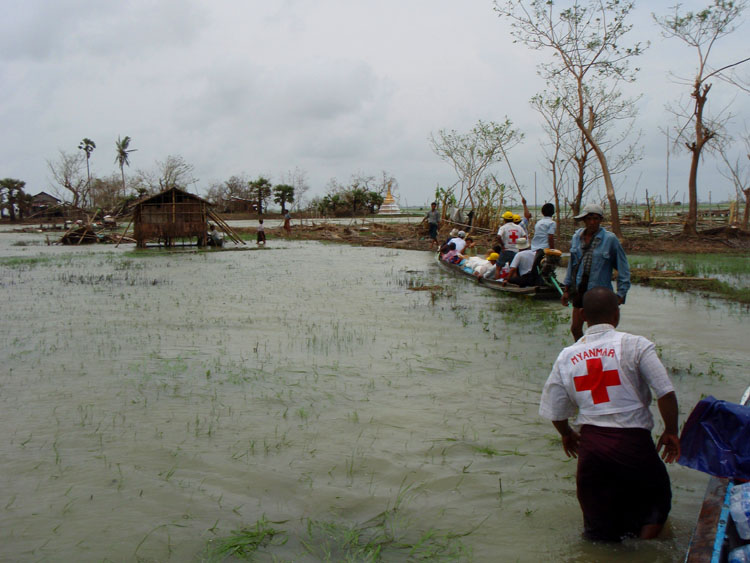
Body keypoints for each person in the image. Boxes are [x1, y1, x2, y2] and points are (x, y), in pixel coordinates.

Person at [539, 287, 680, 542]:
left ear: (581, 315)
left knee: (598, 525)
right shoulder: (635, 344)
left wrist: (567, 434)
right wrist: (671, 431)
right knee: (656, 503)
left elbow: (556, 409)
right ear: (616, 314)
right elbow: (665, 391)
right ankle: (644, 551)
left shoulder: (566, 356)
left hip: (592, 449)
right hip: (633, 445)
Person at [561, 203, 630, 341]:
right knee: (575, 329)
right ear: (584, 220)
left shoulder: (610, 240)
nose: (592, 222)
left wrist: (621, 293)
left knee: (600, 332)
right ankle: (582, 355)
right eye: (589, 219)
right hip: (580, 289)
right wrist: (567, 288)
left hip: (600, 293)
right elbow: (572, 266)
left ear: (600, 220)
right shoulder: (576, 238)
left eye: (596, 219)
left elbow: (623, 268)